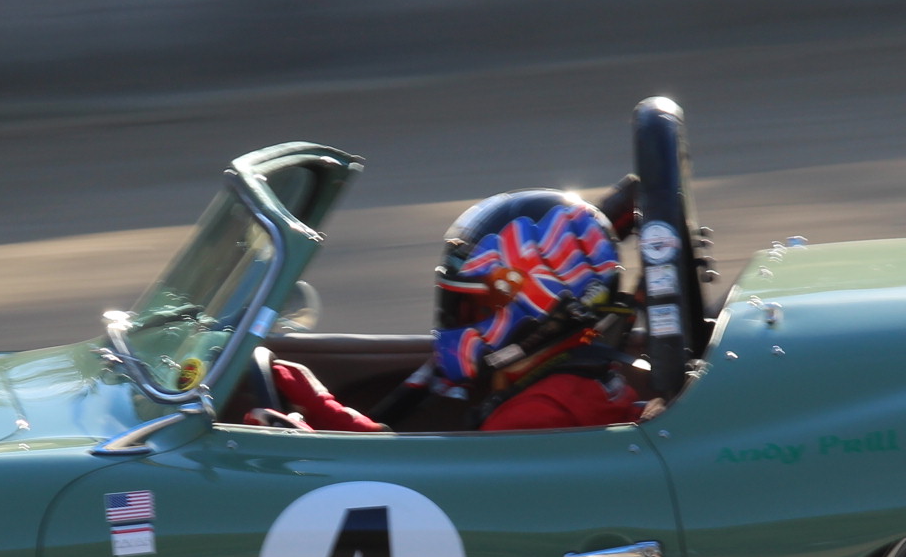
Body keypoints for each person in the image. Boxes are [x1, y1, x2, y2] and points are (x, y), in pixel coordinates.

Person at [260, 184, 647, 433]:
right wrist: (331, 414)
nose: (457, 323)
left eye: (473, 308)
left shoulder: (537, 415)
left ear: (537, 307)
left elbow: (430, 494)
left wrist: (313, 443)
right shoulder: (575, 383)